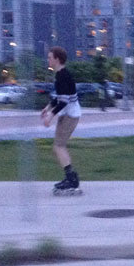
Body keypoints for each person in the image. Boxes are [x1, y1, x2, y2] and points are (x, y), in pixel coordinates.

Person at [40, 46, 81, 193]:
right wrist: (48, 108)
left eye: (50, 57)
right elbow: (59, 98)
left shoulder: (63, 76)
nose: (48, 60)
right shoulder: (60, 75)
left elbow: (64, 101)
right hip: (67, 114)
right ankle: (71, 178)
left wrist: (50, 116)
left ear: (57, 59)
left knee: (59, 146)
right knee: (58, 146)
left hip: (71, 115)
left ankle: (72, 179)